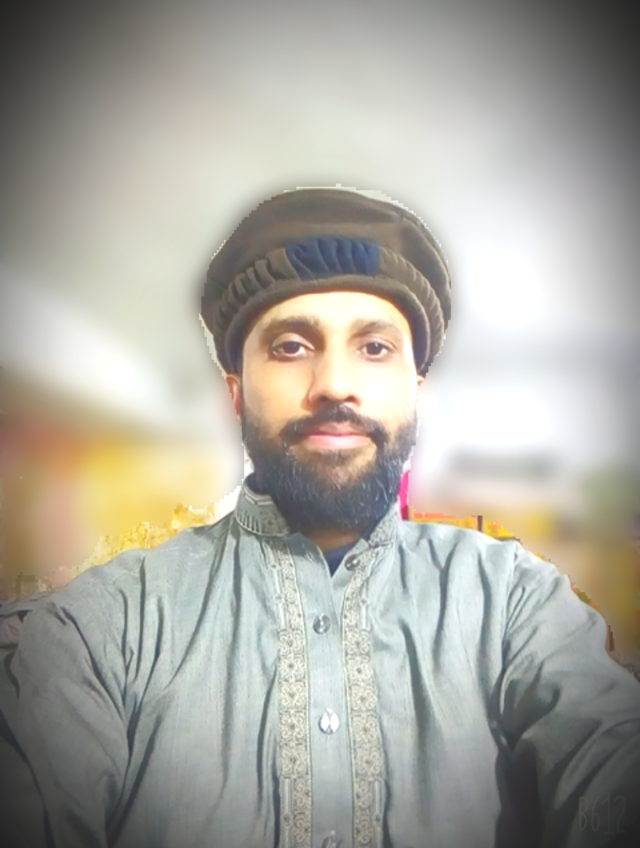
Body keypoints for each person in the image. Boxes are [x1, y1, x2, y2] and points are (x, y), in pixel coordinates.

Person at [1, 188, 639, 848]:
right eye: (290, 346)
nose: (334, 383)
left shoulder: (514, 604)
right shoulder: (106, 625)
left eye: (374, 347)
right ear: (234, 394)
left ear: (416, 392)